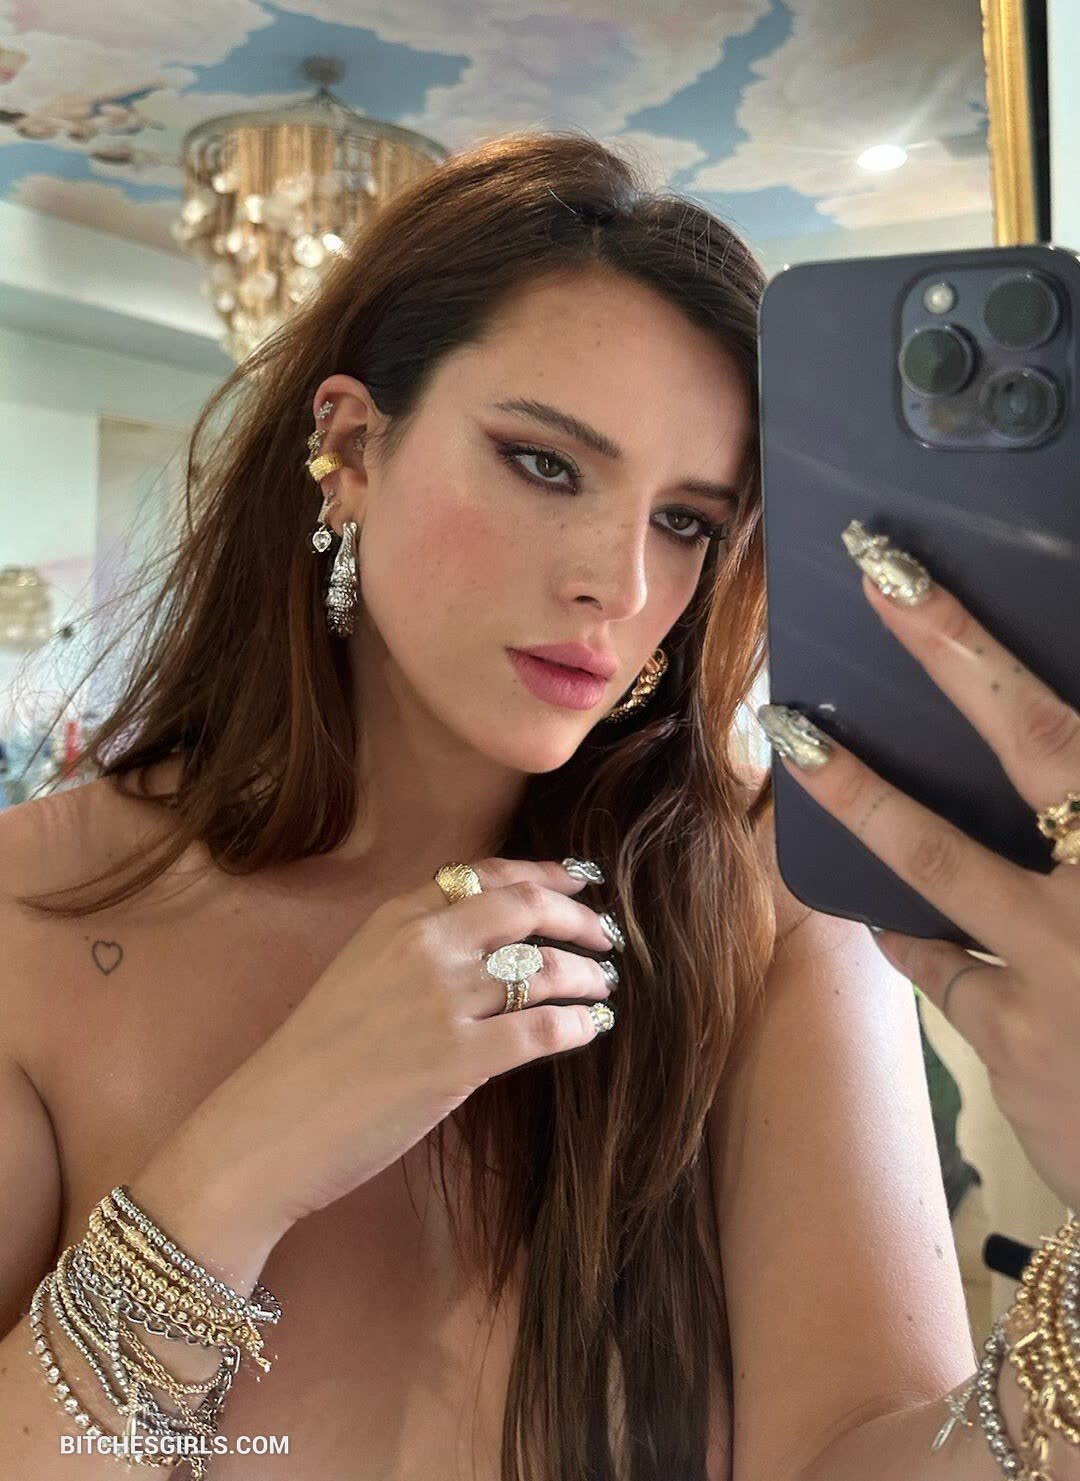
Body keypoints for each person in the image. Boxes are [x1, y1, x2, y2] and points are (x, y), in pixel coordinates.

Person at [0, 128, 1077, 1481]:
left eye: (687, 521)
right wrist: (255, 1149)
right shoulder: (36, 914)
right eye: (547, 464)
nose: (618, 585)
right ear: (350, 448)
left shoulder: (758, 904)